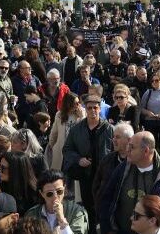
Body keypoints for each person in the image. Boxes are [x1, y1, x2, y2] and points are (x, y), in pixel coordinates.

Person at [103, 131, 160, 234]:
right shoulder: (123, 168)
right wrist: (108, 229)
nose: (127, 150)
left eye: (132, 147)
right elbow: (106, 199)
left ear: (146, 151)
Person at [62, 94, 113, 234]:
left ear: (99, 108)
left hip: (105, 175)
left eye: (95, 107)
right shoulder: (76, 129)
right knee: (88, 206)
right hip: (85, 175)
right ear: (85, 108)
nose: (92, 110)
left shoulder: (108, 129)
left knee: (104, 206)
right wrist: (78, 159)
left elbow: (116, 150)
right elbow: (66, 149)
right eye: (89, 107)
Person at [24, 169, 89, 234]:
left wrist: (62, 220)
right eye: (49, 194)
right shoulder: (32, 215)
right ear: (42, 194)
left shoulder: (76, 211)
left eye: (59, 191)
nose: (55, 197)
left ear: (64, 189)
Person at [47, 92, 85, 171]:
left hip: (75, 151)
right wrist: (51, 145)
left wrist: (82, 117)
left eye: (79, 103)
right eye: (76, 103)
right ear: (69, 104)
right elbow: (54, 132)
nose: (78, 105)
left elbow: (84, 130)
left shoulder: (81, 113)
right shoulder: (59, 114)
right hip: (61, 150)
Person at [139, 72, 160, 156]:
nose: (154, 82)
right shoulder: (148, 92)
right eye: (152, 81)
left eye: (156, 80)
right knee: (151, 145)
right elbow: (141, 108)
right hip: (150, 122)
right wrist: (148, 113)